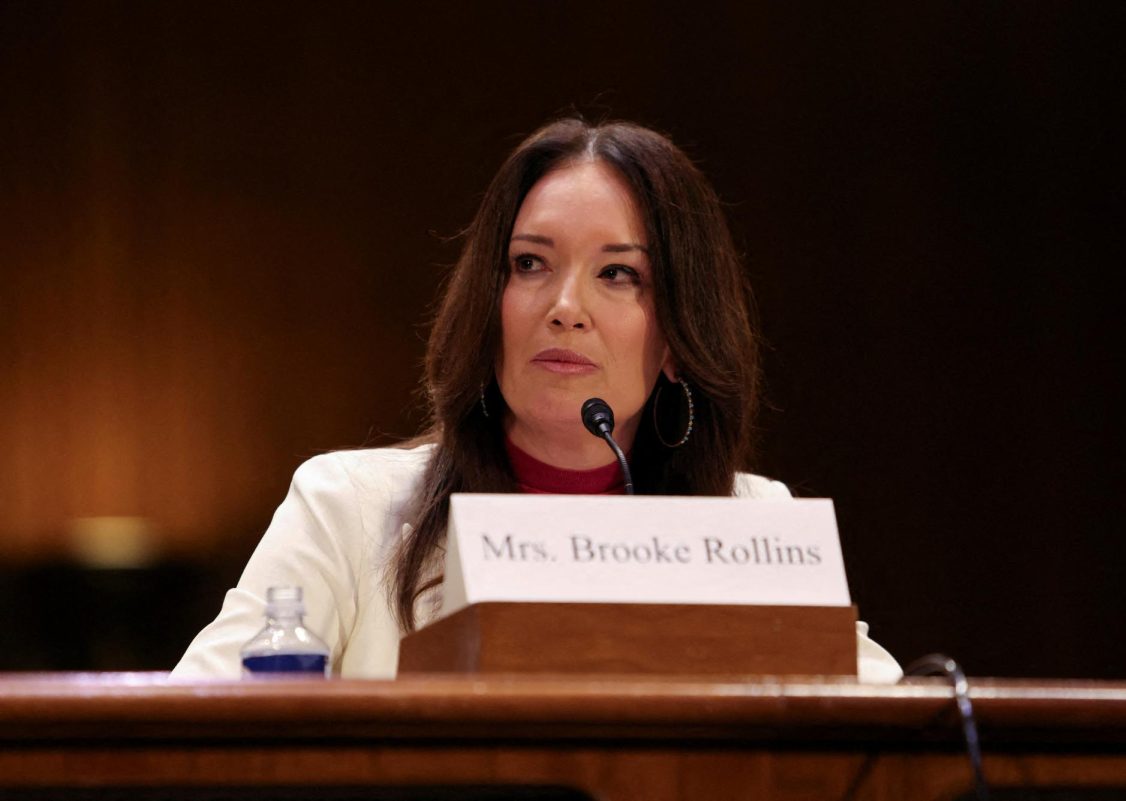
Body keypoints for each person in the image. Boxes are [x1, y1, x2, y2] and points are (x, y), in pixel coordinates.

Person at [173, 118, 902, 683]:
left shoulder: (753, 527)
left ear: (681, 335)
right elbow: (188, 733)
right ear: (489, 305)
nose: (564, 306)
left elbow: (896, 734)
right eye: (530, 264)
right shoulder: (348, 511)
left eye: (618, 274)